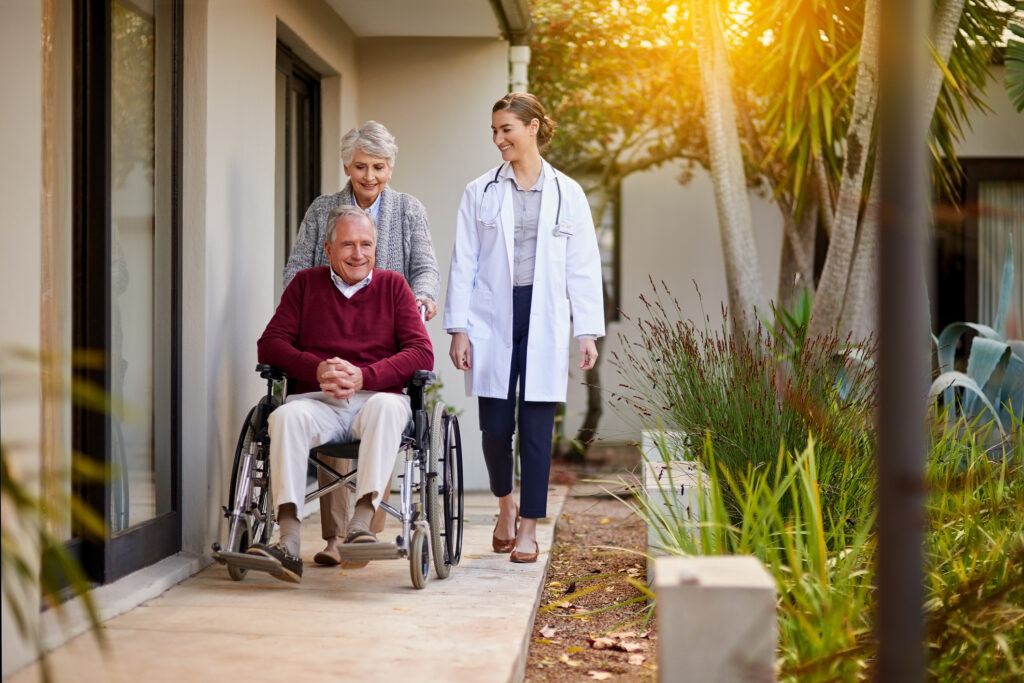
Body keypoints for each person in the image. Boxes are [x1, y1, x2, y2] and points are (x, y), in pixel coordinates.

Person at [443, 93, 604, 563]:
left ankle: (530, 527)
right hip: (492, 315)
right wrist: (458, 327)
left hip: (545, 314)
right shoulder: (480, 191)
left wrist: (587, 331)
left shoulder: (568, 193)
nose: (498, 139)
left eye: (506, 129)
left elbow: (583, 265)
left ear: (532, 128)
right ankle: (505, 506)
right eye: (494, 131)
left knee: (535, 427)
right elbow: (464, 261)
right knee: (494, 427)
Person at [284, 121, 440, 565]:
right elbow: (297, 267)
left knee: (382, 413)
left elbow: (426, 266)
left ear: (391, 167)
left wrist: (422, 297)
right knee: (328, 415)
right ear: (346, 166)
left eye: (379, 167)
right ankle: (334, 538)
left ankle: (364, 529)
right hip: (330, 338)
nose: (369, 176)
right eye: (360, 167)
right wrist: (300, 307)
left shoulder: (408, 211)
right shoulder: (323, 210)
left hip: (387, 343)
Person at [249, 206, 433, 583]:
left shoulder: (394, 287)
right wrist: (316, 369)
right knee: (284, 415)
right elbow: (269, 345)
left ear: (375, 250)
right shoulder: (304, 285)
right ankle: (288, 541)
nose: (358, 253)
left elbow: (421, 352)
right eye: (347, 244)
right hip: (319, 402)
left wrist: (365, 375)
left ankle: (361, 526)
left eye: (366, 244)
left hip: (375, 400)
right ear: (329, 250)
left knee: (385, 406)